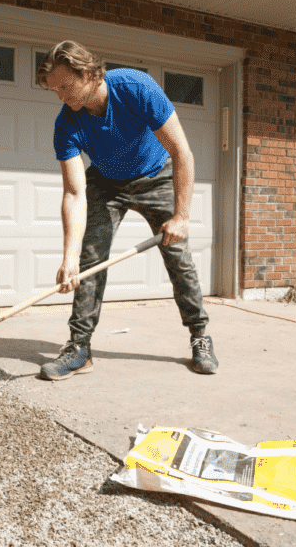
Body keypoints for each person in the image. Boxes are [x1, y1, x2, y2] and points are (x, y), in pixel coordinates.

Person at [35, 41, 218, 380]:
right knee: (89, 263)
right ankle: (79, 348)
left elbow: (181, 152)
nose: (59, 95)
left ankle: (199, 337)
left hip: (156, 175)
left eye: (64, 85)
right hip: (105, 182)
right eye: (53, 89)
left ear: (87, 72)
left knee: (178, 258)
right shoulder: (67, 124)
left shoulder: (136, 87)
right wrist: (70, 258)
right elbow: (75, 193)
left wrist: (181, 216)